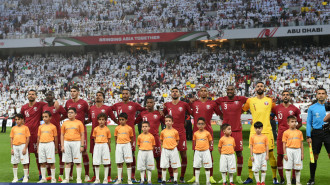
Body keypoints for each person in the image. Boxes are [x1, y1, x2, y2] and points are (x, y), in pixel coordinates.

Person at [242, 82, 278, 184]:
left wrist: (270, 118)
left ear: (264, 88)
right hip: (254, 131)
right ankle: (250, 177)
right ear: (255, 89)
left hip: (267, 131)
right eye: (258, 86)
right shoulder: (250, 100)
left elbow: (276, 111)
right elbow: (242, 109)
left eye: (261, 86)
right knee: (252, 154)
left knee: (270, 154)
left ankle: (275, 177)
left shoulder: (270, 100)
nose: (259, 87)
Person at [20, 90, 58, 180]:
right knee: (26, 155)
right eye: (29, 94)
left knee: (39, 155)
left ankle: (42, 174)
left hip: (36, 134)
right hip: (26, 135)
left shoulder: (40, 105)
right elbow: (21, 119)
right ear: (27, 96)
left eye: (33, 94)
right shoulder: (24, 107)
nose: (31, 96)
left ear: (36, 96)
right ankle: (26, 175)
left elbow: (50, 103)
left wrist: (56, 101)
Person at [187, 87, 222, 184]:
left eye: (205, 90)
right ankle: (195, 176)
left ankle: (210, 177)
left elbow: (220, 113)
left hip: (208, 132)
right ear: (198, 93)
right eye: (201, 91)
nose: (203, 92)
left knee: (209, 154)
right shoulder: (194, 103)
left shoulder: (212, 103)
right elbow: (189, 112)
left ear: (208, 93)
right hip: (196, 132)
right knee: (195, 154)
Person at [215, 85, 247, 184]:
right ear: (226, 91)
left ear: (235, 91)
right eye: (228, 90)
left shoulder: (240, 99)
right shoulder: (221, 100)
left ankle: (238, 176)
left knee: (239, 153)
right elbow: (212, 104)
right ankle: (224, 178)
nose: (229, 91)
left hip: (237, 130)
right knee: (223, 154)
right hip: (225, 132)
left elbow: (250, 102)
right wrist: (220, 113)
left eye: (231, 90)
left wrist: (242, 110)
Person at [112, 88, 145, 183]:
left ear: (129, 95)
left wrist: (136, 121)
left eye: (126, 93)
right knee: (120, 156)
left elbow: (143, 111)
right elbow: (109, 111)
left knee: (132, 154)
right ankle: (120, 176)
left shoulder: (134, 105)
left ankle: (133, 176)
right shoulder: (117, 105)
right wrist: (115, 120)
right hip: (120, 133)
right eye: (123, 94)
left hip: (130, 133)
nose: (125, 95)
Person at [272, 90, 302, 184]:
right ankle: (282, 178)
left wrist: (293, 131)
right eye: (284, 95)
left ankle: (293, 178)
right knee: (280, 156)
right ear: (281, 97)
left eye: (287, 95)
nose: (285, 96)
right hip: (281, 134)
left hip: (292, 136)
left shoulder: (295, 109)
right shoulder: (276, 108)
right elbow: (269, 118)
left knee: (293, 157)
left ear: (290, 97)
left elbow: (300, 123)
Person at [163, 87, 192, 183]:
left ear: (179, 94)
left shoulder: (184, 104)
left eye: (176, 92)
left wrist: (186, 121)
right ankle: (171, 176)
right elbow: (164, 116)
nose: (174, 93)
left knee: (183, 154)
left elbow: (190, 114)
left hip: (181, 133)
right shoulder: (167, 105)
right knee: (170, 155)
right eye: (173, 92)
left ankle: (182, 176)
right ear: (170, 94)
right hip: (169, 134)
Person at [88, 91, 116, 182]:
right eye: (96, 95)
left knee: (106, 157)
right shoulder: (91, 108)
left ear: (103, 98)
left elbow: (113, 118)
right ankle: (95, 176)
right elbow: (88, 119)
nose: (98, 97)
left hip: (104, 137)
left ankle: (108, 176)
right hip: (94, 136)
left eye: (100, 95)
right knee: (94, 156)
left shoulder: (107, 108)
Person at [135, 96, 164, 183]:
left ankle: (160, 175)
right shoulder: (143, 113)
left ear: (154, 103)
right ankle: (143, 177)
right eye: (147, 103)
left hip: (155, 139)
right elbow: (135, 122)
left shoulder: (158, 114)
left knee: (158, 158)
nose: (149, 104)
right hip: (144, 139)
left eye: (151, 102)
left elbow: (166, 121)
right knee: (143, 158)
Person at [64, 86, 90, 182]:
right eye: (71, 91)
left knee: (83, 151)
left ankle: (87, 174)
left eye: (74, 91)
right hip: (70, 130)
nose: (72, 93)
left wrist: (85, 122)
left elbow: (90, 114)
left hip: (81, 130)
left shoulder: (83, 103)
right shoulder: (68, 103)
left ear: (78, 92)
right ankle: (70, 175)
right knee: (70, 152)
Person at [306, 88, 329, 185]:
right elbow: (308, 123)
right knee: (314, 156)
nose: (321, 95)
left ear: (326, 95)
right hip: (316, 133)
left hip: (328, 132)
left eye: (323, 93)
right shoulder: (312, 108)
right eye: (319, 93)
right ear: (316, 95)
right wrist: (308, 136)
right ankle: (312, 179)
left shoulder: (329, 106)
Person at [43, 91, 67, 182]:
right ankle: (49, 175)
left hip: (57, 132)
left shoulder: (58, 106)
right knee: (47, 155)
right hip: (47, 134)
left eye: (50, 95)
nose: (48, 96)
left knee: (61, 153)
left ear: (53, 97)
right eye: (47, 95)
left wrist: (58, 120)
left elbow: (65, 114)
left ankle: (61, 174)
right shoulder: (44, 106)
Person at [60, 107, 85, 183]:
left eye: (71, 112)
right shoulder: (65, 123)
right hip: (67, 143)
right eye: (68, 113)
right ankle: (67, 178)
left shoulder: (79, 123)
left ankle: (78, 178)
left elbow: (82, 135)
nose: (69, 114)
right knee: (67, 162)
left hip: (76, 143)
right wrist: (62, 145)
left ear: (75, 114)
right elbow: (62, 135)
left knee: (77, 162)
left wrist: (82, 145)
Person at [37, 111, 58, 183]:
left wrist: (56, 148)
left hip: (50, 144)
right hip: (42, 145)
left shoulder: (53, 127)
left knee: (51, 162)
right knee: (42, 162)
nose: (44, 118)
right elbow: (38, 138)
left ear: (50, 117)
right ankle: (43, 178)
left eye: (46, 117)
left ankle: (53, 178)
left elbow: (56, 138)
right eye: (43, 117)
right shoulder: (40, 127)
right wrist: (38, 148)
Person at [160, 115, 181, 185]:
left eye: (169, 121)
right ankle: (163, 180)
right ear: (165, 122)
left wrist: (173, 146)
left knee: (175, 166)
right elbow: (161, 140)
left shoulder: (175, 131)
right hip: (165, 150)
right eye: (166, 121)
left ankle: (175, 180)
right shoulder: (163, 132)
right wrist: (165, 146)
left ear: (172, 122)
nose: (168, 122)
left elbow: (177, 141)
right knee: (164, 166)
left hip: (173, 150)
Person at [282, 115, 304, 185]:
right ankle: (288, 182)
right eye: (292, 122)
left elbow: (301, 143)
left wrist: (302, 153)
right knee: (288, 167)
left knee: (298, 167)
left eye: (295, 122)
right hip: (289, 150)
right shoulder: (285, 132)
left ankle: (298, 182)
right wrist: (284, 153)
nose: (294, 123)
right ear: (288, 123)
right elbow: (284, 144)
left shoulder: (299, 132)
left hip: (298, 151)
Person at [114, 112, 134, 185]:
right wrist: (117, 145)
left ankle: (129, 180)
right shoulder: (117, 128)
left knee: (128, 162)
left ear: (126, 120)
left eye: (123, 119)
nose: (121, 121)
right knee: (119, 162)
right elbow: (115, 137)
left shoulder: (129, 128)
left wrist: (129, 145)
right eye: (120, 119)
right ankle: (119, 179)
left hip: (127, 145)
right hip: (119, 145)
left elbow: (131, 138)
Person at [192, 117, 213, 185]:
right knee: (197, 167)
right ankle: (197, 182)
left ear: (205, 125)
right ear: (197, 125)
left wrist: (206, 147)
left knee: (207, 167)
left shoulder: (207, 133)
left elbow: (210, 142)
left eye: (202, 124)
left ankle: (207, 182)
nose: (200, 125)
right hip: (197, 152)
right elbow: (194, 142)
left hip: (206, 151)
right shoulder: (195, 133)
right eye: (199, 124)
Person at [92, 113, 111, 184]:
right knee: (96, 163)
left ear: (105, 121)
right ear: (98, 120)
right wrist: (96, 145)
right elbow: (94, 138)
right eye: (100, 119)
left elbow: (109, 139)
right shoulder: (95, 129)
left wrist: (109, 148)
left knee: (106, 162)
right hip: (97, 145)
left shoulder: (107, 129)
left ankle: (105, 179)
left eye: (103, 119)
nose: (101, 121)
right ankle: (97, 179)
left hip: (105, 145)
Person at [10, 114, 30, 183]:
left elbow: (28, 138)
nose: (17, 121)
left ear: (22, 120)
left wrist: (25, 148)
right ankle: (15, 178)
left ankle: (25, 177)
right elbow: (11, 138)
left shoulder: (25, 128)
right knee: (14, 163)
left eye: (19, 119)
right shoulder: (13, 128)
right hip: (15, 146)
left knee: (24, 163)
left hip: (22, 146)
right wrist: (11, 148)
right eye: (16, 120)